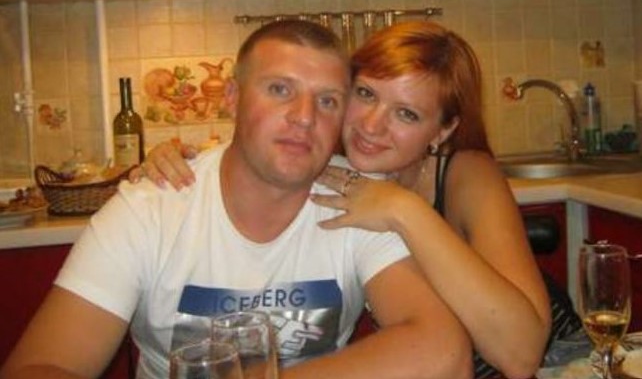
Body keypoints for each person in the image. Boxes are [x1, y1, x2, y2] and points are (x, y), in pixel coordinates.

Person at [0, 20, 471, 379]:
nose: (304, 117)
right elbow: (38, 367)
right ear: (232, 97)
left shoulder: (358, 201)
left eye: (327, 100)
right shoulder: (150, 208)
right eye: (280, 90)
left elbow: (444, 353)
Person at [135, 21, 578, 378]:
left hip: (560, 364)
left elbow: (521, 356)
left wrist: (402, 209)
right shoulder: (325, 165)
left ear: (442, 130)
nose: (371, 125)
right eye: (365, 94)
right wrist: (171, 163)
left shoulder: (467, 174)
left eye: (406, 113)